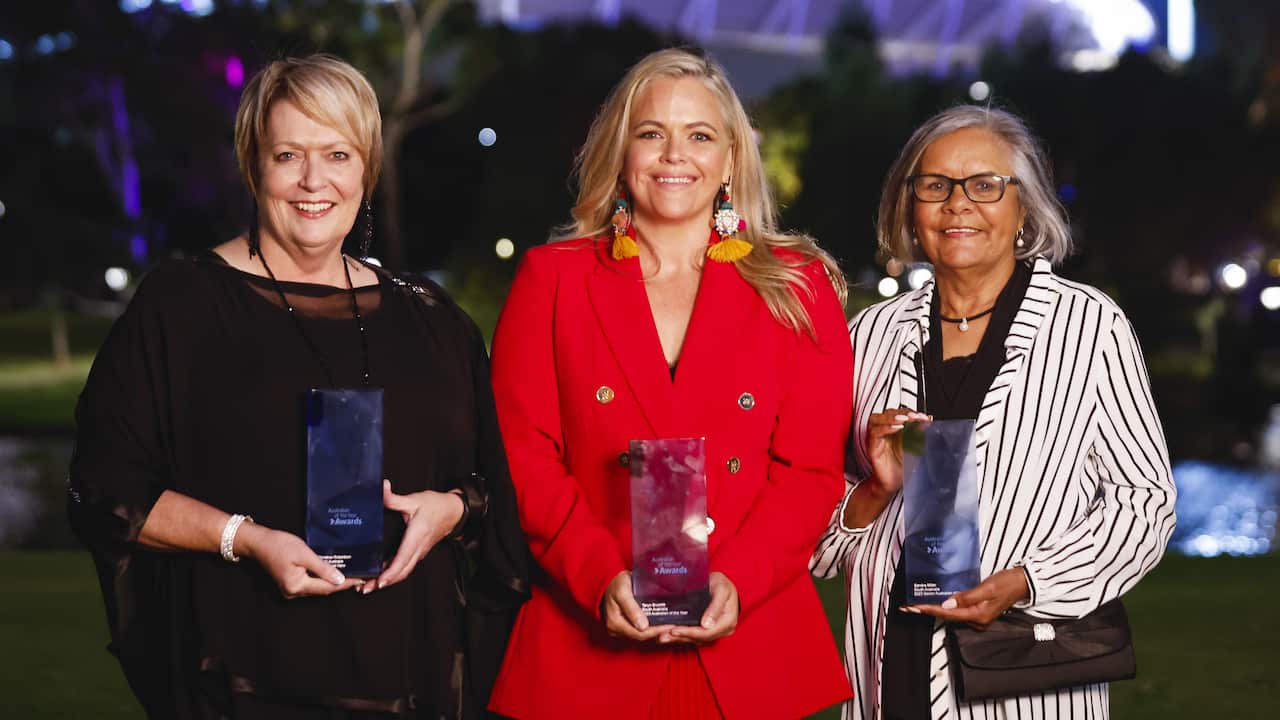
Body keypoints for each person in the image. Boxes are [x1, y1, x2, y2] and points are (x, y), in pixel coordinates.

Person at [67, 54, 527, 719]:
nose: (315, 181)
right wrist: (244, 538)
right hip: (246, 683)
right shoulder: (183, 307)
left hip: (409, 679)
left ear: (366, 168)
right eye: (288, 154)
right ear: (255, 167)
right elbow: (103, 489)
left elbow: (494, 491)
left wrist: (452, 510)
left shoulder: (433, 321)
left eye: (338, 154)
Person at [486, 48, 853, 719]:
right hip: (585, 647)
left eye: (700, 136)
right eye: (651, 133)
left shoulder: (798, 288)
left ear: (731, 161)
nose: (673, 155)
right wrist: (598, 576)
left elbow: (810, 471)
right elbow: (523, 458)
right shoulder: (552, 280)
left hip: (748, 652)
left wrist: (738, 582)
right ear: (621, 153)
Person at [811, 105, 1177, 719]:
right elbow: (821, 547)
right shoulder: (868, 336)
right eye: (935, 186)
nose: (958, 204)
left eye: (985, 185)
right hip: (888, 674)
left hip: (1024, 678)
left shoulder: (1088, 326)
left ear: (1024, 206)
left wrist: (1031, 582)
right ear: (910, 206)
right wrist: (875, 488)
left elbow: (1143, 504)